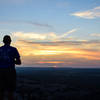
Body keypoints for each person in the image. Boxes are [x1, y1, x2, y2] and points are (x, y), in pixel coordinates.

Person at [0, 35, 21, 100]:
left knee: (1, 91)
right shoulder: (14, 49)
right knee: (10, 91)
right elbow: (19, 62)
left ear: (3, 41)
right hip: (10, 71)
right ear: (10, 41)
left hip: (0, 72)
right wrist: (12, 60)